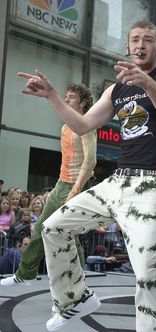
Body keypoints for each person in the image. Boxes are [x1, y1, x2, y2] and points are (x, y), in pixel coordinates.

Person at [12, 20, 156, 332]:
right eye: (135, 39)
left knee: (147, 274)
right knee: (52, 228)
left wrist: (148, 84)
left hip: (153, 184)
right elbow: (82, 125)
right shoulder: (116, 89)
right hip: (117, 182)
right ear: (128, 48)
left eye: (148, 40)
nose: (141, 44)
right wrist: (52, 95)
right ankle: (75, 299)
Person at [1, 83, 97, 286]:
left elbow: (90, 161)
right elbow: (68, 160)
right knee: (40, 229)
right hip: (62, 184)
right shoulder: (65, 126)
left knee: (70, 236)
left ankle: (78, 287)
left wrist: (76, 189)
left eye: (71, 97)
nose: (67, 99)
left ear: (83, 103)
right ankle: (25, 273)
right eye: (67, 96)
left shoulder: (86, 125)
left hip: (77, 186)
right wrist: (58, 186)